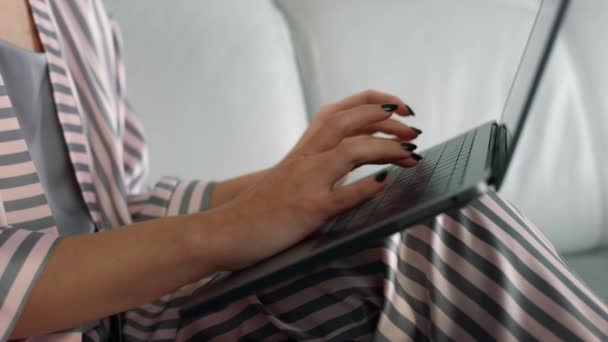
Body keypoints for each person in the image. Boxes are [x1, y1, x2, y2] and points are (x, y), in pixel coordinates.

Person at [0, 0, 605, 341]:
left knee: (426, 224)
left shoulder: (71, 9)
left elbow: (115, 207)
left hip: (128, 321)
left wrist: (280, 187)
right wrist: (227, 232)